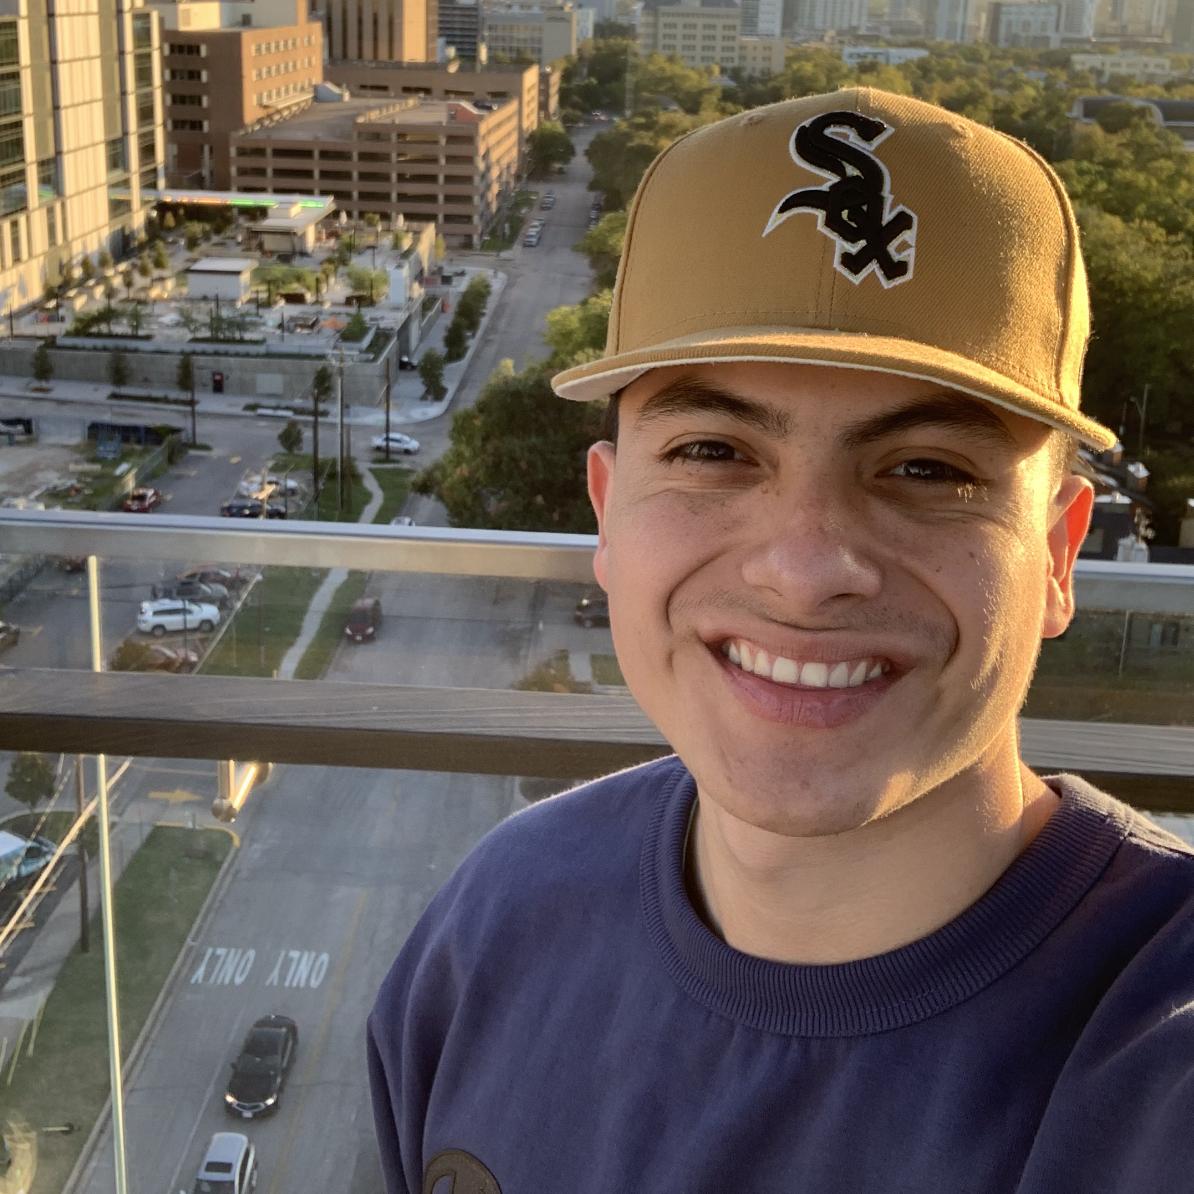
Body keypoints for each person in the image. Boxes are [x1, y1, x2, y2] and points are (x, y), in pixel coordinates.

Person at [368, 89, 1194, 1193]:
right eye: (713, 452)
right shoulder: (496, 922)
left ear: (1056, 553)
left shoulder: (1158, 1058)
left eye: (928, 470)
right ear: (608, 514)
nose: (804, 570)